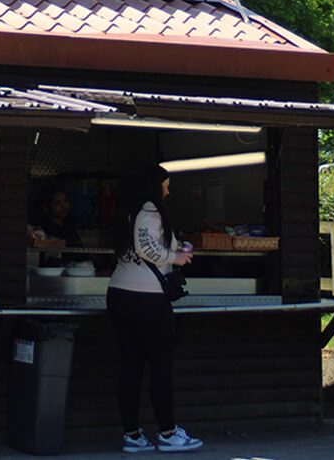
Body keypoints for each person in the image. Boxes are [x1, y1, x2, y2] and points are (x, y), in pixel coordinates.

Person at [107, 165, 202, 453]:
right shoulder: (150, 211)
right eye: (166, 185)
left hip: (119, 293)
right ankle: (168, 432)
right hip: (147, 298)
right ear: (153, 186)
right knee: (161, 367)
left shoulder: (127, 210)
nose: (168, 191)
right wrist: (177, 257)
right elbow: (147, 248)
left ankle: (132, 434)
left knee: (130, 366)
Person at [32, 187, 87, 266]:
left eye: (65, 201)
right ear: (46, 208)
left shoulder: (70, 227)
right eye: (57, 203)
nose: (63, 206)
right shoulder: (41, 231)